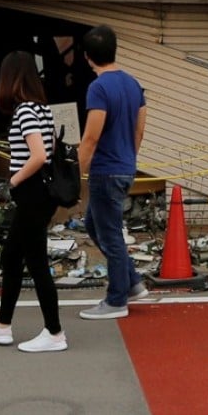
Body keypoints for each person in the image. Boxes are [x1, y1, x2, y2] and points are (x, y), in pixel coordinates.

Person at [0, 51, 67, 353]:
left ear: (10, 78)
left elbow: (38, 156)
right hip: (40, 195)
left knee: (35, 263)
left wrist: (11, 182)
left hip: (32, 194)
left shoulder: (25, 112)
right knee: (12, 258)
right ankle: (2, 325)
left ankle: (54, 332)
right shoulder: (42, 109)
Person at [76, 24, 150, 320]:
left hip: (106, 171)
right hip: (124, 166)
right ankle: (132, 282)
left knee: (110, 235)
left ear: (87, 57)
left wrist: (74, 175)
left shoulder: (98, 88)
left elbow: (91, 137)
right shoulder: (133, 84)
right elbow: (140, 129)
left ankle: (116, 300)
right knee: (94, 225)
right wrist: (128, 158)